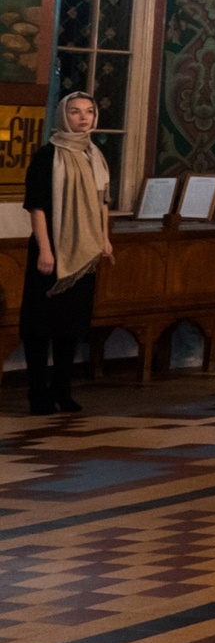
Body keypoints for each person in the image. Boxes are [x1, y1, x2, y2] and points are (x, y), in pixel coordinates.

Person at [21, 92, 113, 414]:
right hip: (52, 248)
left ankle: (63, 390)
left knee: (70, 326)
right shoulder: (48, 156)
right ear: (63, 116)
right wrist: (46, 251)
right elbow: (37, 207)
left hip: (83, 251)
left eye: (89, 111)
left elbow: (102, 202)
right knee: (40, 326)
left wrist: (104, 239)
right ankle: (38, 394)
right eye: (75, 112)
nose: (83, 117)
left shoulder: (95, 156)